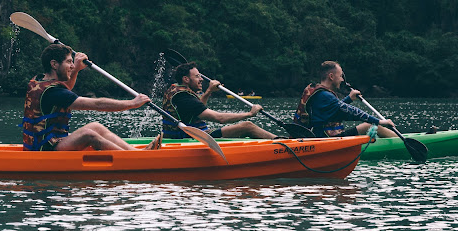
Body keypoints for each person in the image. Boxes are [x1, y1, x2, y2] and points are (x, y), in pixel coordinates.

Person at [22, 44, 162, 151]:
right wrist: (132, 104)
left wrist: (76, 68)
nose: (71, 66)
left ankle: (137, 152)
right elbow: (97, 104)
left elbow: (66, 88)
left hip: (45, 140)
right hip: (45, 146)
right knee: (89, 134)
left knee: (96, 127)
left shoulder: (39, 80)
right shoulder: (53, 92)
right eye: (69, 62)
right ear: (54, 64)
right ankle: (133, 159)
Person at [161, 62, 277, 139]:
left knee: (245, 126)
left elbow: (196, 110)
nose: (201, 79)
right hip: (191, 138)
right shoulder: (184, 98)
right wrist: (250, 113)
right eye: (197, 76)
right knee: (247, 126)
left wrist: (209, 91)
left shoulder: (177, 90)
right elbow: (219, 118)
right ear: (186, 79)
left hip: (188, 135)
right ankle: (284, 143)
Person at [294, 61, 398, 138]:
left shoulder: (318, 92)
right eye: (340, 76)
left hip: (321, 137)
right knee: (371, 126)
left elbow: (335, 110)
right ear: (331, 76)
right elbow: (352, 112)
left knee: (370, 125)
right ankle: (402, 142)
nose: (342, 80)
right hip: (327, 140)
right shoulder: (325, 96)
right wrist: (379, 121)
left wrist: (349, 98)